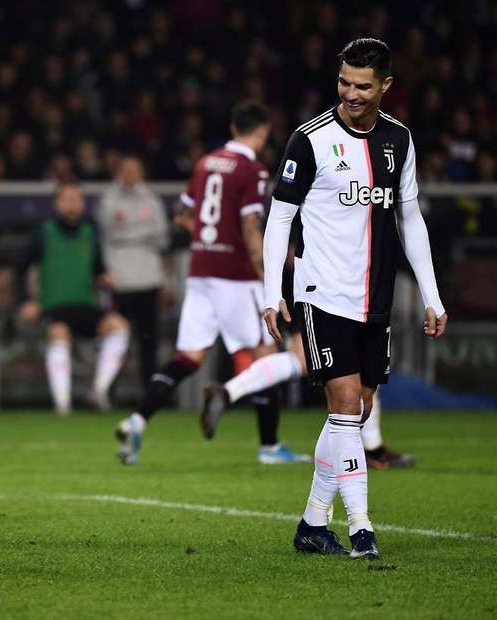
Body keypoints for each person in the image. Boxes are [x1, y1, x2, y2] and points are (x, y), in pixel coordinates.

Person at [262, 38, 447, 560]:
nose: (351, 94)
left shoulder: (399, 140)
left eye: (363, 85)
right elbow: (279, 218)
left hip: (376, 299)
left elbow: (410, 218)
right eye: (344, 82)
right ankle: (362, 527)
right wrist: (272, 292)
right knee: (344, 407)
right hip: (323, 293)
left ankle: (312, 523)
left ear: (386, 85)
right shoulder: (310, 139)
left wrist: (432, 296)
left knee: (359, 410)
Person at [114, 101, 310, 465]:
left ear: (234, 128)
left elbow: (184, 216)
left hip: (201, 271)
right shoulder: (252, 170)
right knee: (267, 355)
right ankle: (268, 446)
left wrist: (210, 239)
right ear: (262, 132)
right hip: (236, 276)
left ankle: (136, 421)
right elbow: (252, 227)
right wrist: (268, 277)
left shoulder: (205, 163)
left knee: (188, 357)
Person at [203, 246, 416, 470]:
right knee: (348, 363)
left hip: (307, 277)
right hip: (320, 280)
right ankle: (371, 449)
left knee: (305, 361)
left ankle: (228, 393)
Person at [14, 179, 130, 414]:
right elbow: (20, 268)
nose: (73, 204)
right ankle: (63, 405)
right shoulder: (43, 232)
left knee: (119, 326)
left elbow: (97, 267)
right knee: (59, 333)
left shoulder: (91, 231)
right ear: (56, 204)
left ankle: (99, 391)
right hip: (53, 307)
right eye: (67, 199)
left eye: (77, 199)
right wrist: (25, 301)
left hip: (85, 304)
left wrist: (104, 277)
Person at [96, 155, 169, 389]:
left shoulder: (152, 200)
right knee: (116, 340)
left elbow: (162, 238)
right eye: (125, 169)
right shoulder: (108, 200)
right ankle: (109, 391)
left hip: (148, 279)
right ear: (119, 172)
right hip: (120, 280)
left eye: (134, 169)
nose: (129, 174)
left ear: (141, 172)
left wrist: (126, 234)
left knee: (149, 342)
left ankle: (150, 392)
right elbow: (104, 238)